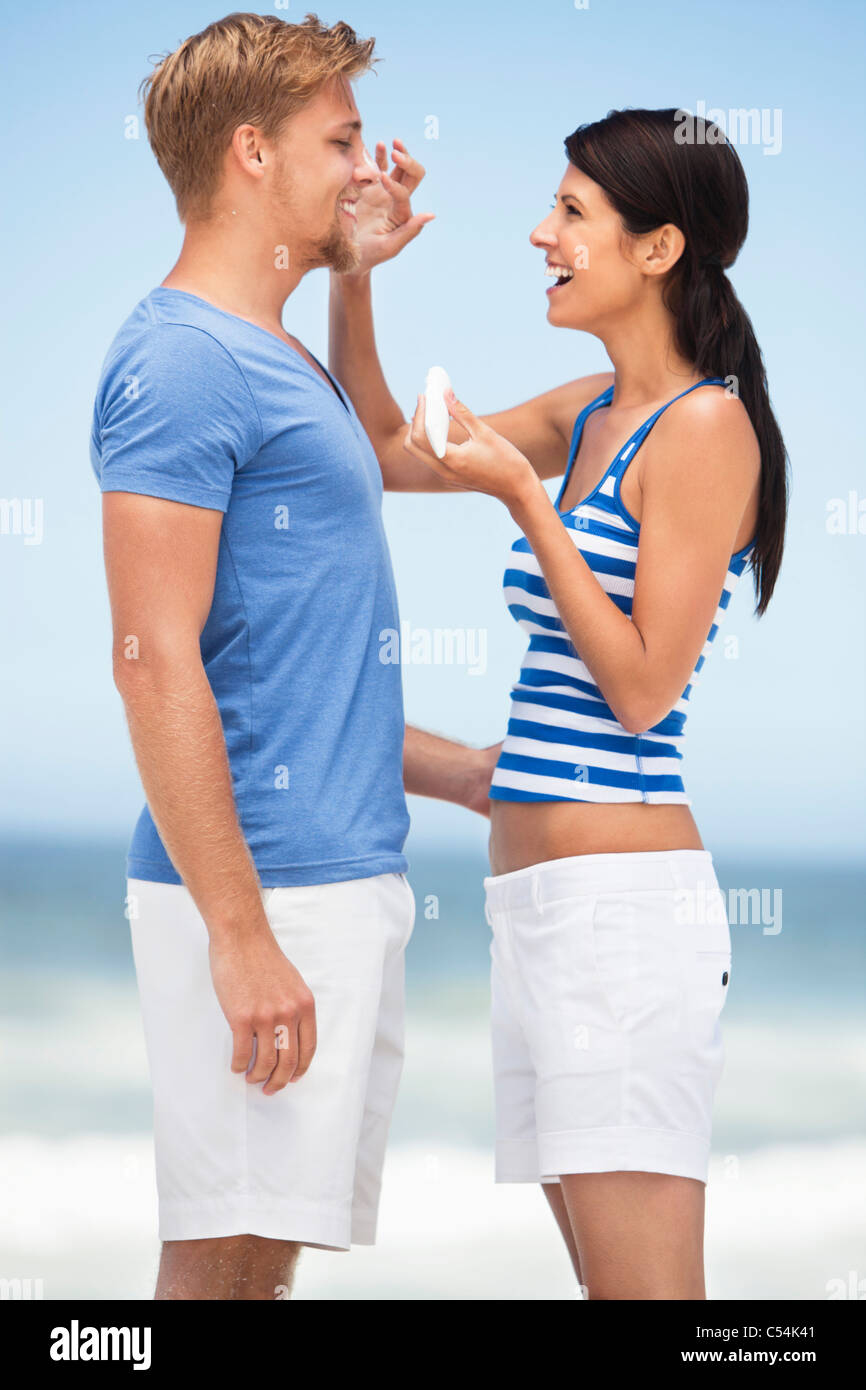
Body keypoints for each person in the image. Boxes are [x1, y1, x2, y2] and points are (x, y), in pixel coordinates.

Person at [330, 107, 788, 1299]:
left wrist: (523, 506)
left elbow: (640, 689)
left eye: (571, 213)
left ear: (657, 248)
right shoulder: (591, 408)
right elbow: (381, 445)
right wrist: (353, 274)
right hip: (538, 913)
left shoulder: (704, 429)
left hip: (619, 922)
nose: (541, 233)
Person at [90, 12, 491, 1301]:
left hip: (327, 881)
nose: (368, 168)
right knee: (221, 1268)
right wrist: (239, 931)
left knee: (257, 1270)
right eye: (343, 141)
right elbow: (154, 661)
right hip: (272, 897)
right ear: (253, 152)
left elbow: (292, 676)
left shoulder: (272, 358)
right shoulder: (182, 359)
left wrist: (467, 774)